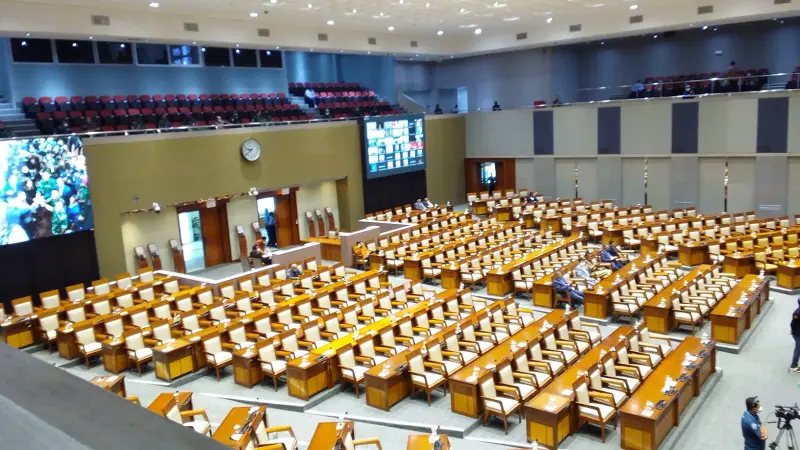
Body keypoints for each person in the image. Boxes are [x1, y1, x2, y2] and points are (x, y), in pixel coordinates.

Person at [791, 298, 800, 372]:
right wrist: (793, 331)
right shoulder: (797, 313)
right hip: (798, 334)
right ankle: (794, 365)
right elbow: (793, 324)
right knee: (798, 349)